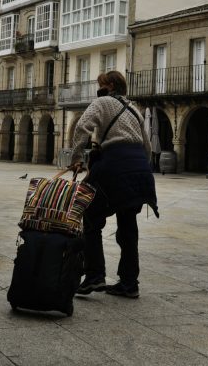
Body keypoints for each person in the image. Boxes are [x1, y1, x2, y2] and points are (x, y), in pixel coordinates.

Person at [69, 70, 159, 298]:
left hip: (115, 164)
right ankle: (129, 284)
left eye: (100, 84)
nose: (98, 88)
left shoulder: (102, 102)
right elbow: (147, 145)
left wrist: (77, 158)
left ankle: (94, 276)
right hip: (139, 170)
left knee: (90, 217)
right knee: (128, 226)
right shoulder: (135, 110)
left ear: (108, 85)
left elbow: (82, 127)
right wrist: (140, 167)